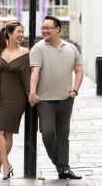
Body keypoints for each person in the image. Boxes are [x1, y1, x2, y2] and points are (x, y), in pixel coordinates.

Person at [29, 15, 84, 180]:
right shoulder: (38, 48)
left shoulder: (71, 48)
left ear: (58, 29)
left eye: (48, 28)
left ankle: (64, 168)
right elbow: (35, 71)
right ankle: (61, 165)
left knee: (63, 135)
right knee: (47, 133)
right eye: (43, 28)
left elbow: (79, 71)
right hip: (45, 100)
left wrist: (75, 91)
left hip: (67, 99)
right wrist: (33, 92)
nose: (44, 31)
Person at [0, 20, 30, 181]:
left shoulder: (25, 52)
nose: (21, 35)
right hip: (1, 98)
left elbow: (27, 77)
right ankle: (4, 166)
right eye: (18, 31)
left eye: (22, 31)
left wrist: (31, 96)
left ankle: (1, 167)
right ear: (9, 34)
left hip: (17, 99)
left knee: (7, 132)